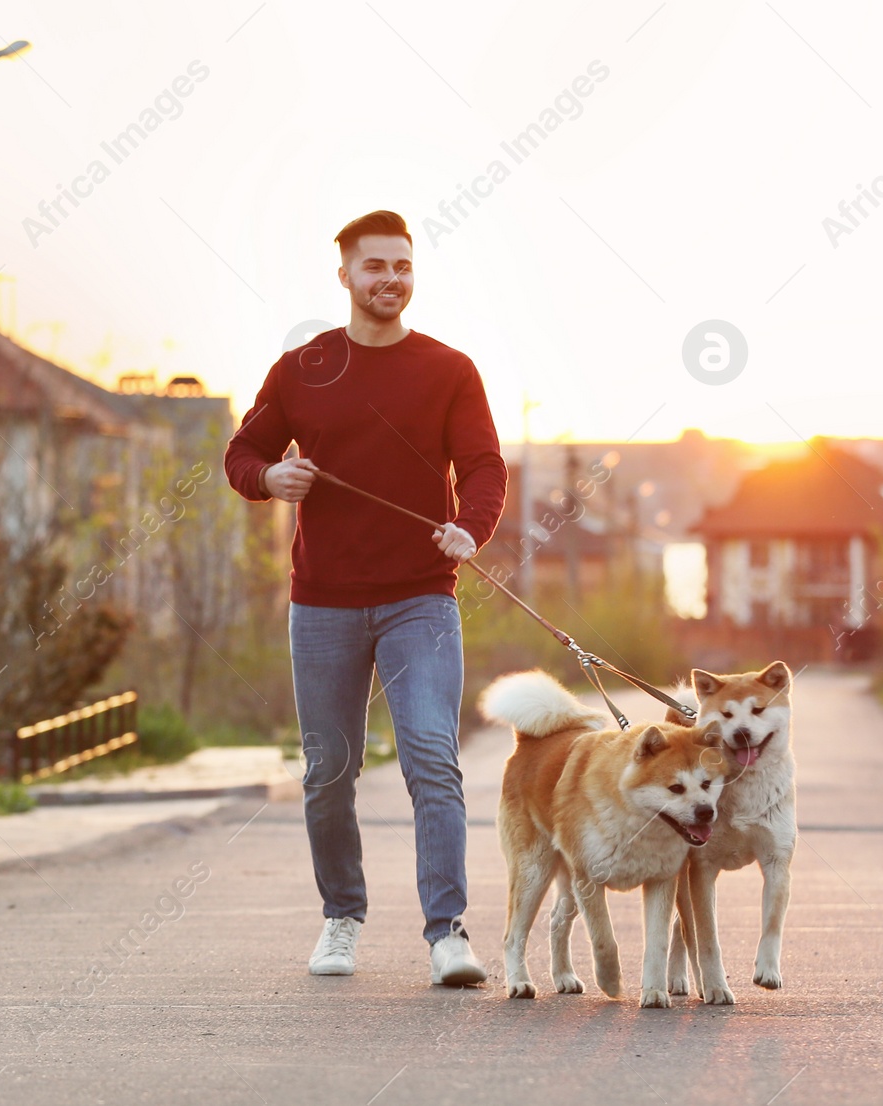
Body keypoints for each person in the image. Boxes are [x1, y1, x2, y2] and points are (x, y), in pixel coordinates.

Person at [224, 210, 506, 986]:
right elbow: (243, 450)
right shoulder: (303, 368)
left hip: (422, 597)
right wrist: (268, 478)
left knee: (430, 757)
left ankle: (446, 931)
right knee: (329, 769)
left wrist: (468, 529)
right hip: (323, 602)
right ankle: (341, 917)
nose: (391, 279)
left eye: (403, 266)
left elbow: (484, 466)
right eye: (375, 266)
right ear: (344, 275)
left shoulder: (449, 370)